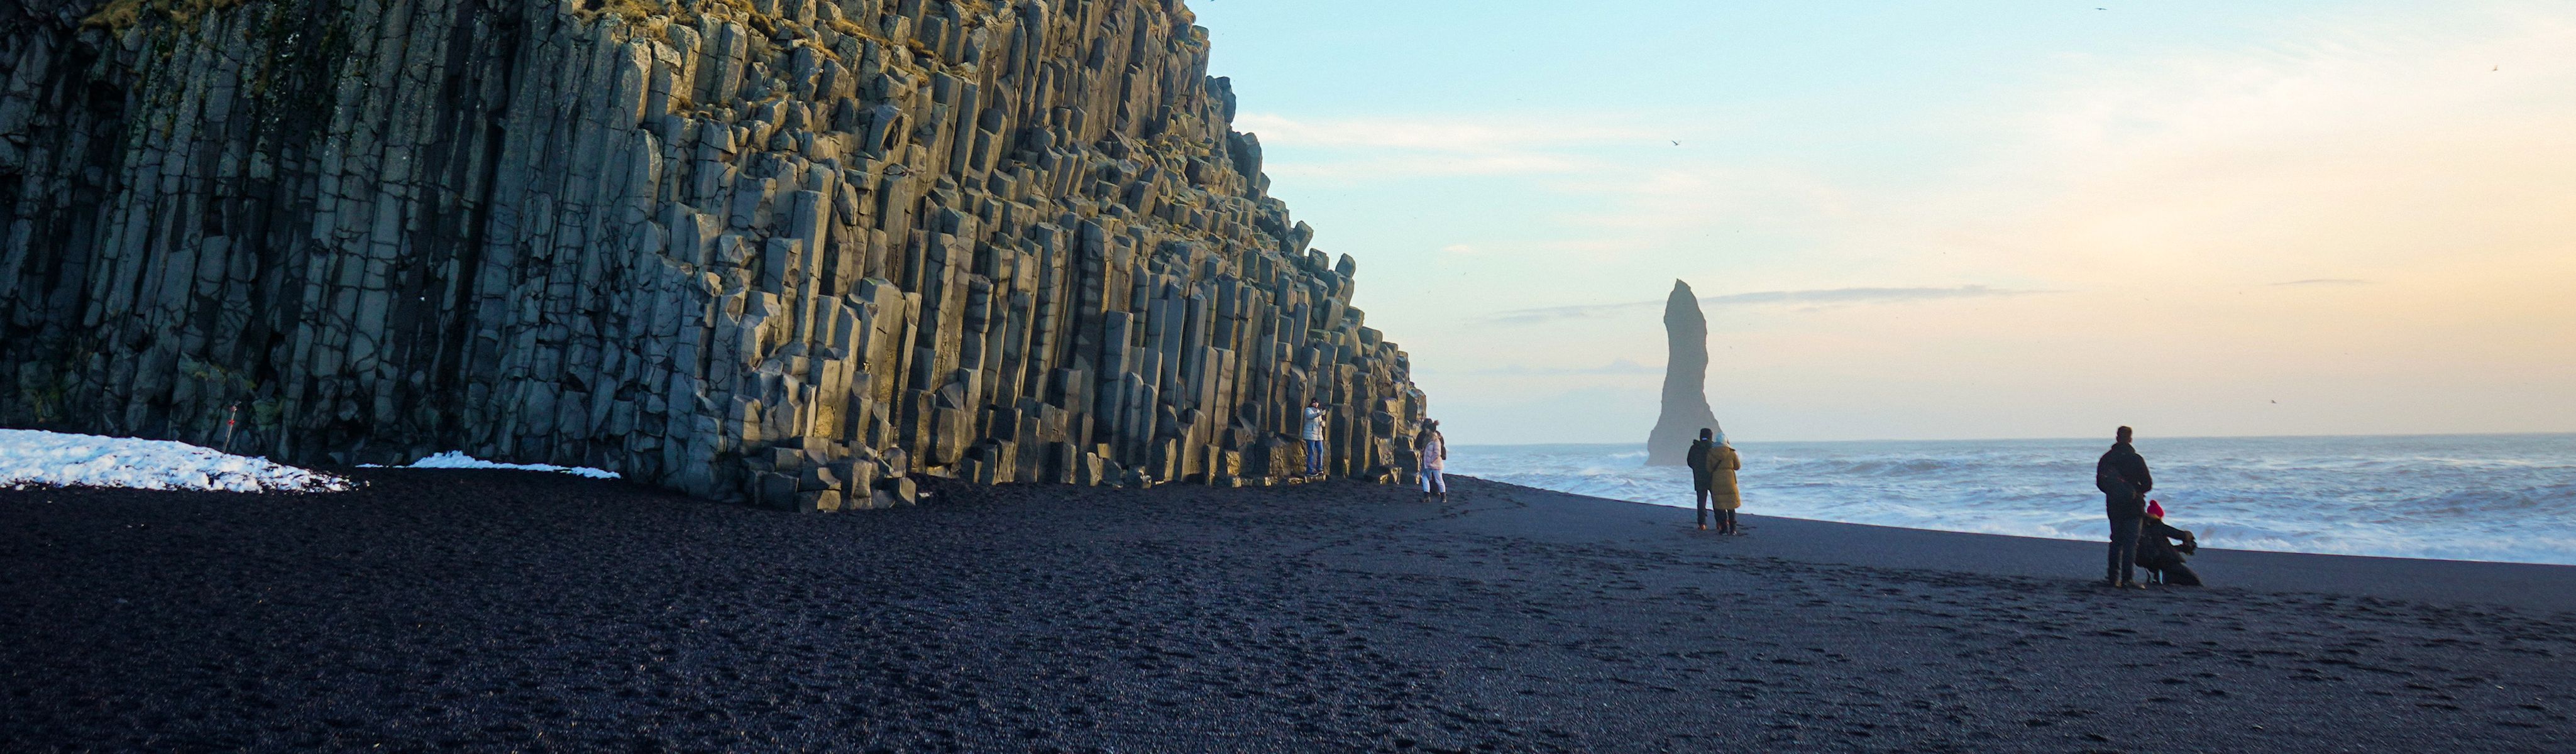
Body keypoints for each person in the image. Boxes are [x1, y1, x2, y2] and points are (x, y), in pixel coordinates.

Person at [2095, 425, 2154, 589]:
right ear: (2130, 439)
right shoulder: (2136, 459)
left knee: (2116, 541)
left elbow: (2100, 483)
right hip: (2134, 507)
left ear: (2116, 438)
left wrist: (2114, 492)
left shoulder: (2107, 459)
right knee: (2130, 543)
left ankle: (2113, 578)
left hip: (2114, 506)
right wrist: (2135, 492)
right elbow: (2148, 484)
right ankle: (2128, 579)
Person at [1686, 427, 1744, 534]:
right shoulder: (1713, 448)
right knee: (1718, 502)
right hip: (1714, 479)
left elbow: (1690, 462)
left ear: (1700, 436)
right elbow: (1737, 466)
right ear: (1710, 436)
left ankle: (1702, 524)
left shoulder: (1694, 448)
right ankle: (1720, 523)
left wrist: (1697, 470)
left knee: (1701, 502)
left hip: (1699, 479)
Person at [2137, 500, 2202, 586]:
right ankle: (2164, 577)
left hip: (2150, 563)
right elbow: (2180, 535)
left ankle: (2159, 576)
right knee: (2194, 581)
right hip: (2166, 562)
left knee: (2182, 577)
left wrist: (2182, 548)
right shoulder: (2159, 527)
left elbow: (2163, 548)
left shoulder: (2140, 527)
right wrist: (2190, 537)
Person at [1415, 420, 1448, 503]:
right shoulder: (1428, 438)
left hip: (1434, 464)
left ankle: (1443, 497)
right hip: (1428, 463)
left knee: (1438, 479)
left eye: (1427, 429)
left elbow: (1437, 453)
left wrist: (1430, 460)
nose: (1425, 430)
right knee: (1425, 478)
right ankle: (1427, 496)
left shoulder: (1436, 440)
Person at [1302, 400, 1328, 478]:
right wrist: (1319, 413)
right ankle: (1309, 470)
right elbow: (1310, 417)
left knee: (1320, 451)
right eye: (1314, 402)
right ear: (1312, 403)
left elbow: (1320, 421)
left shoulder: (1318, 411)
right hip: (1310, 435)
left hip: (1318, 435)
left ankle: (1319, 469)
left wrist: (1323, 423)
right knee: (1311, 452)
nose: (1316, 404)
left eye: (1317, 402)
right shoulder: (1308, 410)